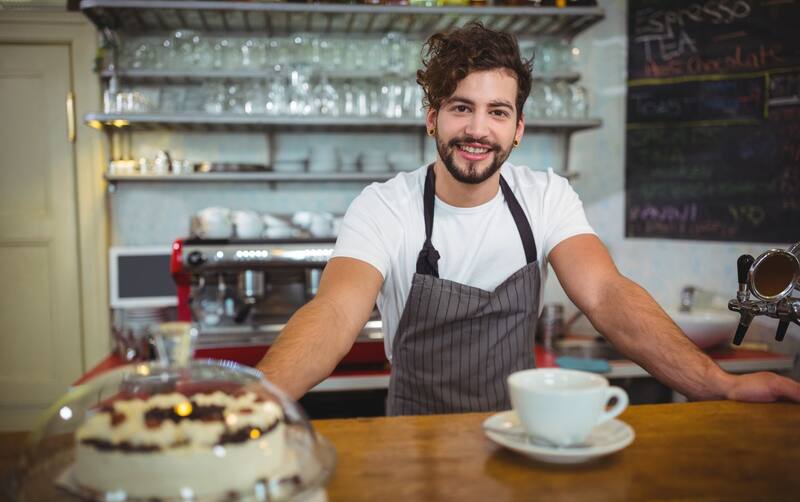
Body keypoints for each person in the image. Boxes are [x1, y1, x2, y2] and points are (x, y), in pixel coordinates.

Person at [256, 23, 800, 414]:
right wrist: (253, 399)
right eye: (460, 107)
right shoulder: (384, 206)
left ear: (518, 128)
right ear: (432, 119)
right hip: (414, 438)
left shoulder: (546, 198)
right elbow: (334, 312)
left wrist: (717, 384)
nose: (477, 129)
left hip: (520, 432)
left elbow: (606, 294)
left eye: (497, 112)